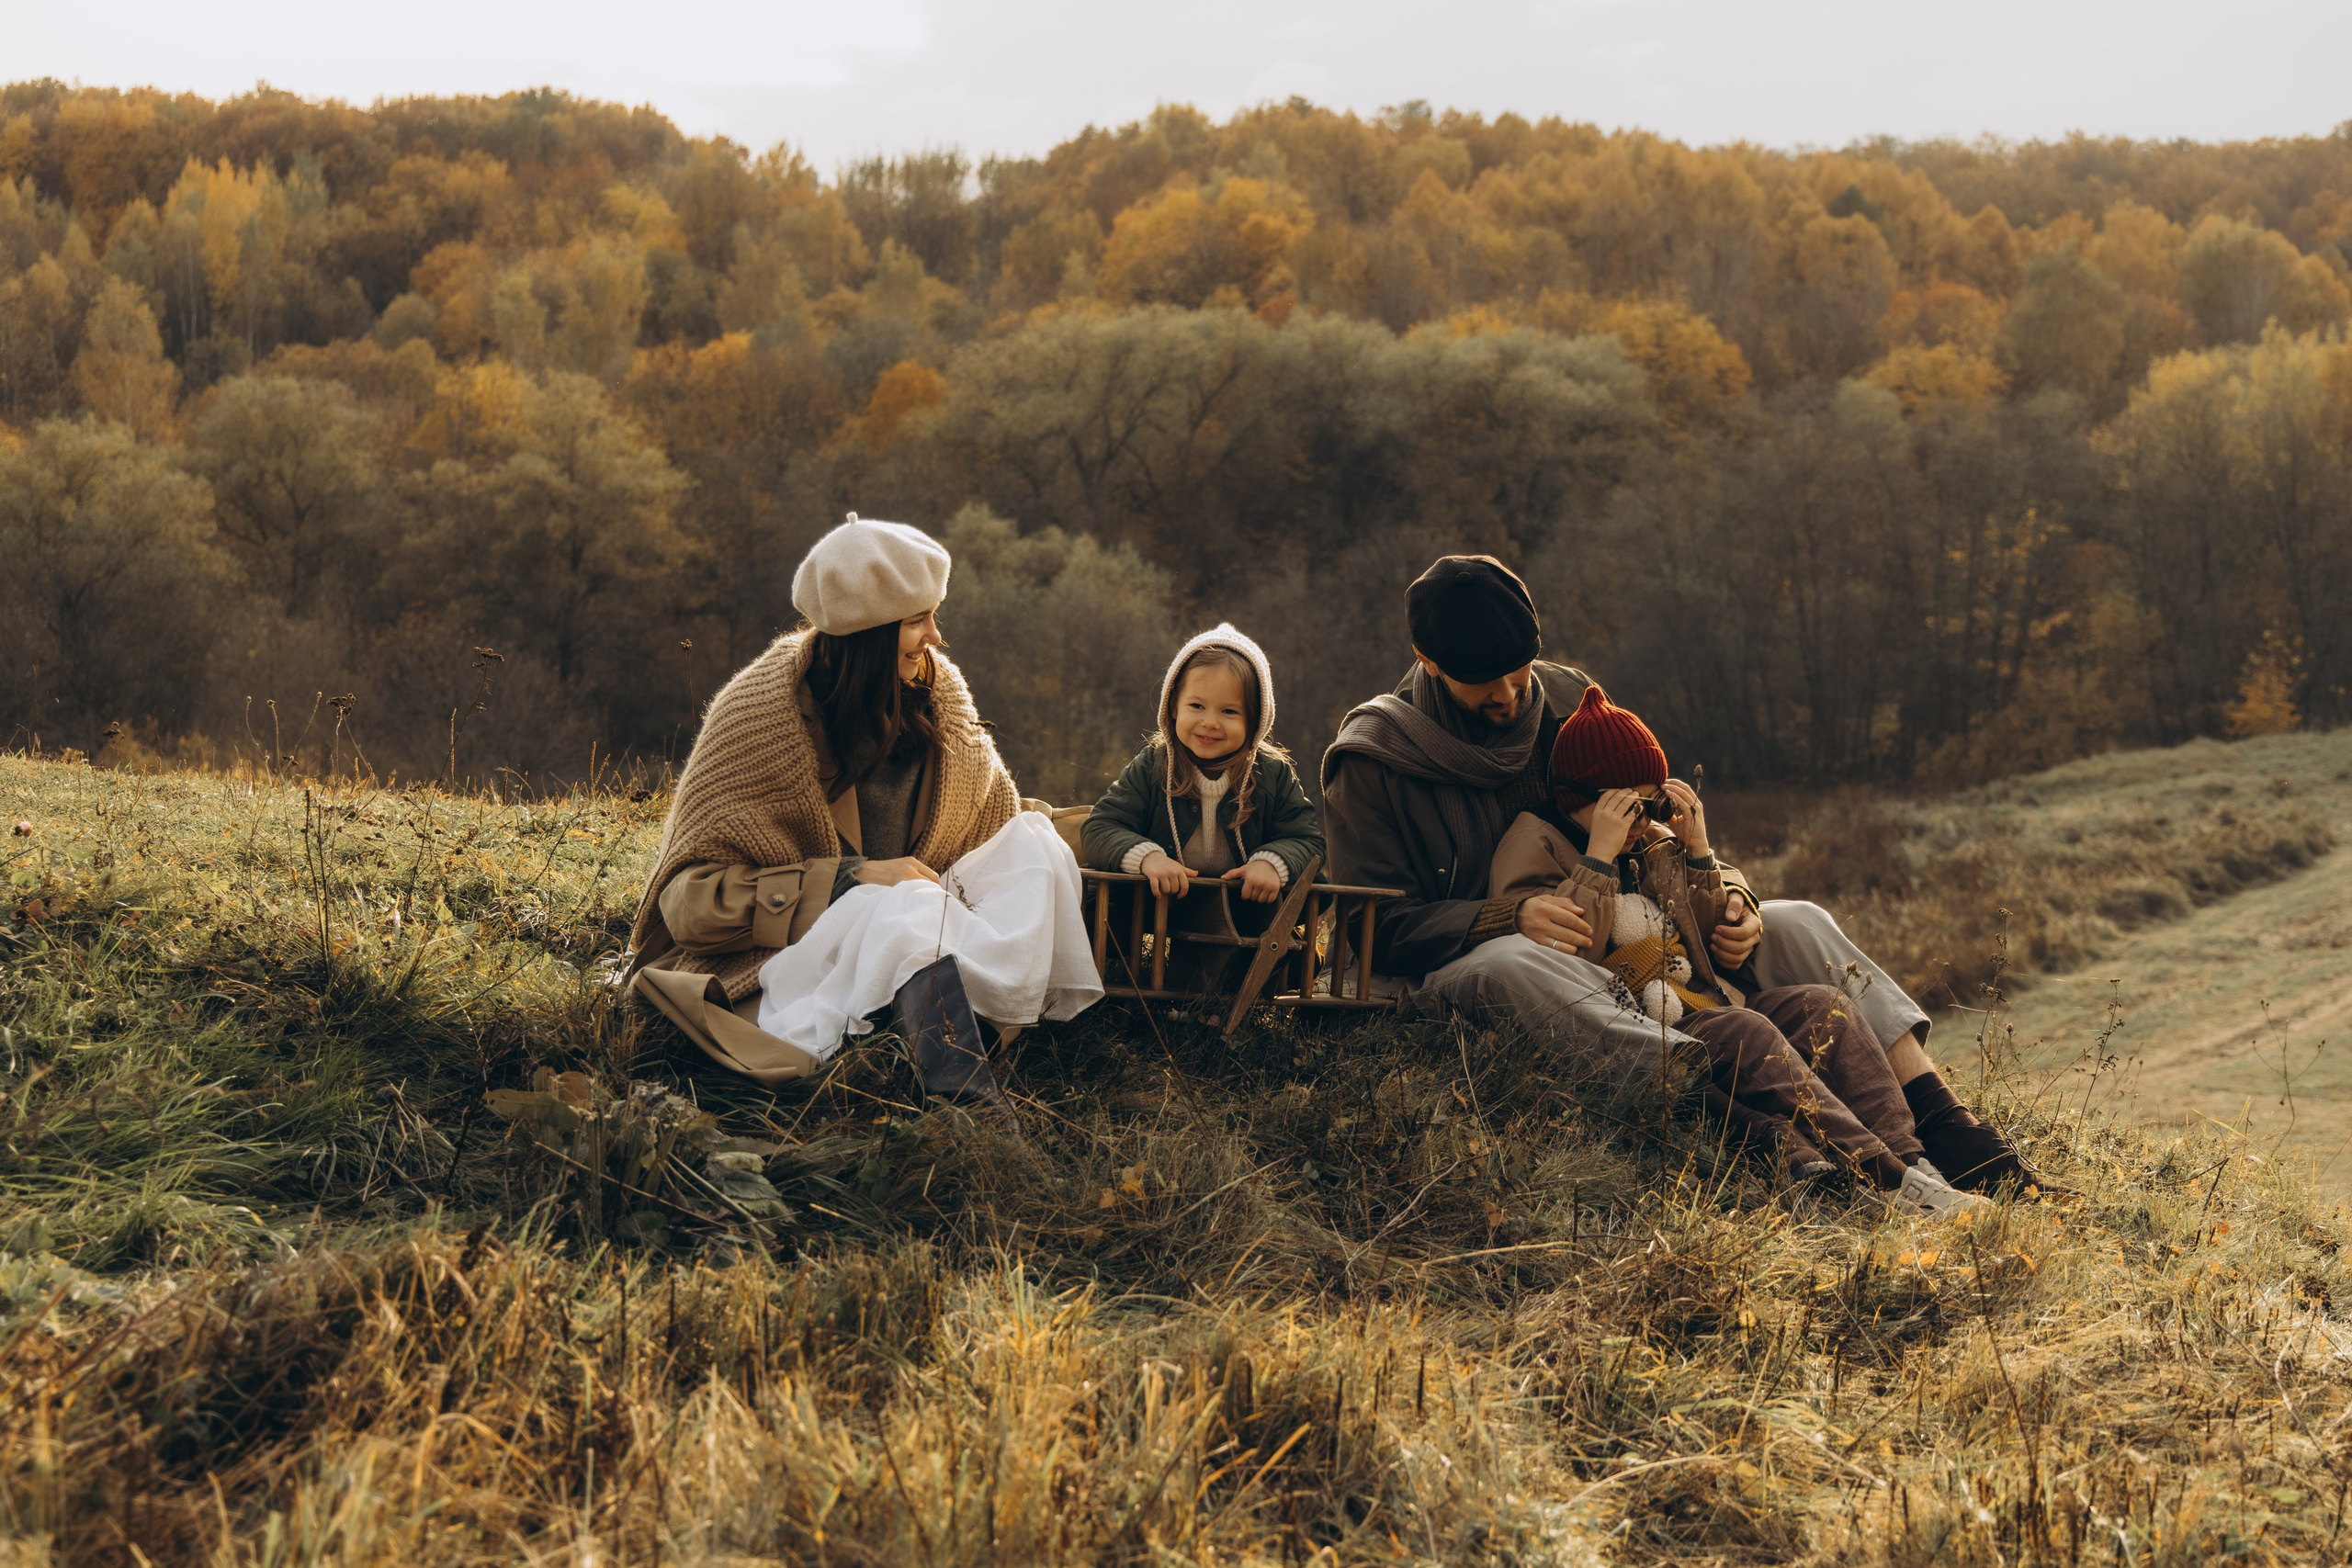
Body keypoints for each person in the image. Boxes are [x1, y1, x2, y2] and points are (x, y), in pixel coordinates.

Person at [1321, 554, 2045, 1194]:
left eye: (1520, 674)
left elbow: (1649, 819)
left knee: (1801, 920)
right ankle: (1734, 1110)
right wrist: (1501, 916)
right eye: (1488, 685)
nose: (1512, 697)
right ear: (1427, 658)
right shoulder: (1374, 759)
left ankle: (1949, 1129)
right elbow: (1368, 931)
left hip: (1634, 948)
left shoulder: (1567, 699)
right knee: (1522, 960)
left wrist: (1733, 891)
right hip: (1481, 967)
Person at [625, 514, 1099, 1109]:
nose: (936, 636)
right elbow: (689, 904)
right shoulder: (758, 718)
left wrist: (1127, 836)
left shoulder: (939, 695)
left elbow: (999, 821)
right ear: (869, 633)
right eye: (917, 620)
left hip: (921, 941)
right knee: (899, 904)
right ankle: (965, 1099)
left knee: (1033, 843)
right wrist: (847, 882)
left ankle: (953, 1047)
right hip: (791, 963)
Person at [1488, 683, 1986, 1213]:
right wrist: (1599, 859)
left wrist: (1699, 855)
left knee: (1825, 1007)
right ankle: (1883, 1177)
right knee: (1747, 1030)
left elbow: (1702, 934)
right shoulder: (1533, 844)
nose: (1643, 821)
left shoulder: (1651, 840)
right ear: (1583, 798)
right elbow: (1559, 959)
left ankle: (1913, 1166)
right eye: (1631, 806)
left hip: (1706, 1002)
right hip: (1639, 1028)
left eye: (1651, 801)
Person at [1081, 624, 1323, 903]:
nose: (1210, 722)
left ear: (1255, 720)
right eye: (1196, 706)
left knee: (1266, 928)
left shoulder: (1271, 773)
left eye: (1229, 711)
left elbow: (1307, 840)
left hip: (1239, 906)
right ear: (1173, 707)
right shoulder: (1153, 764)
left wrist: (1271, 863)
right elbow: (1100, 827)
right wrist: (1148, 857)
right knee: (1100, 907)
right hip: (1159, 899)